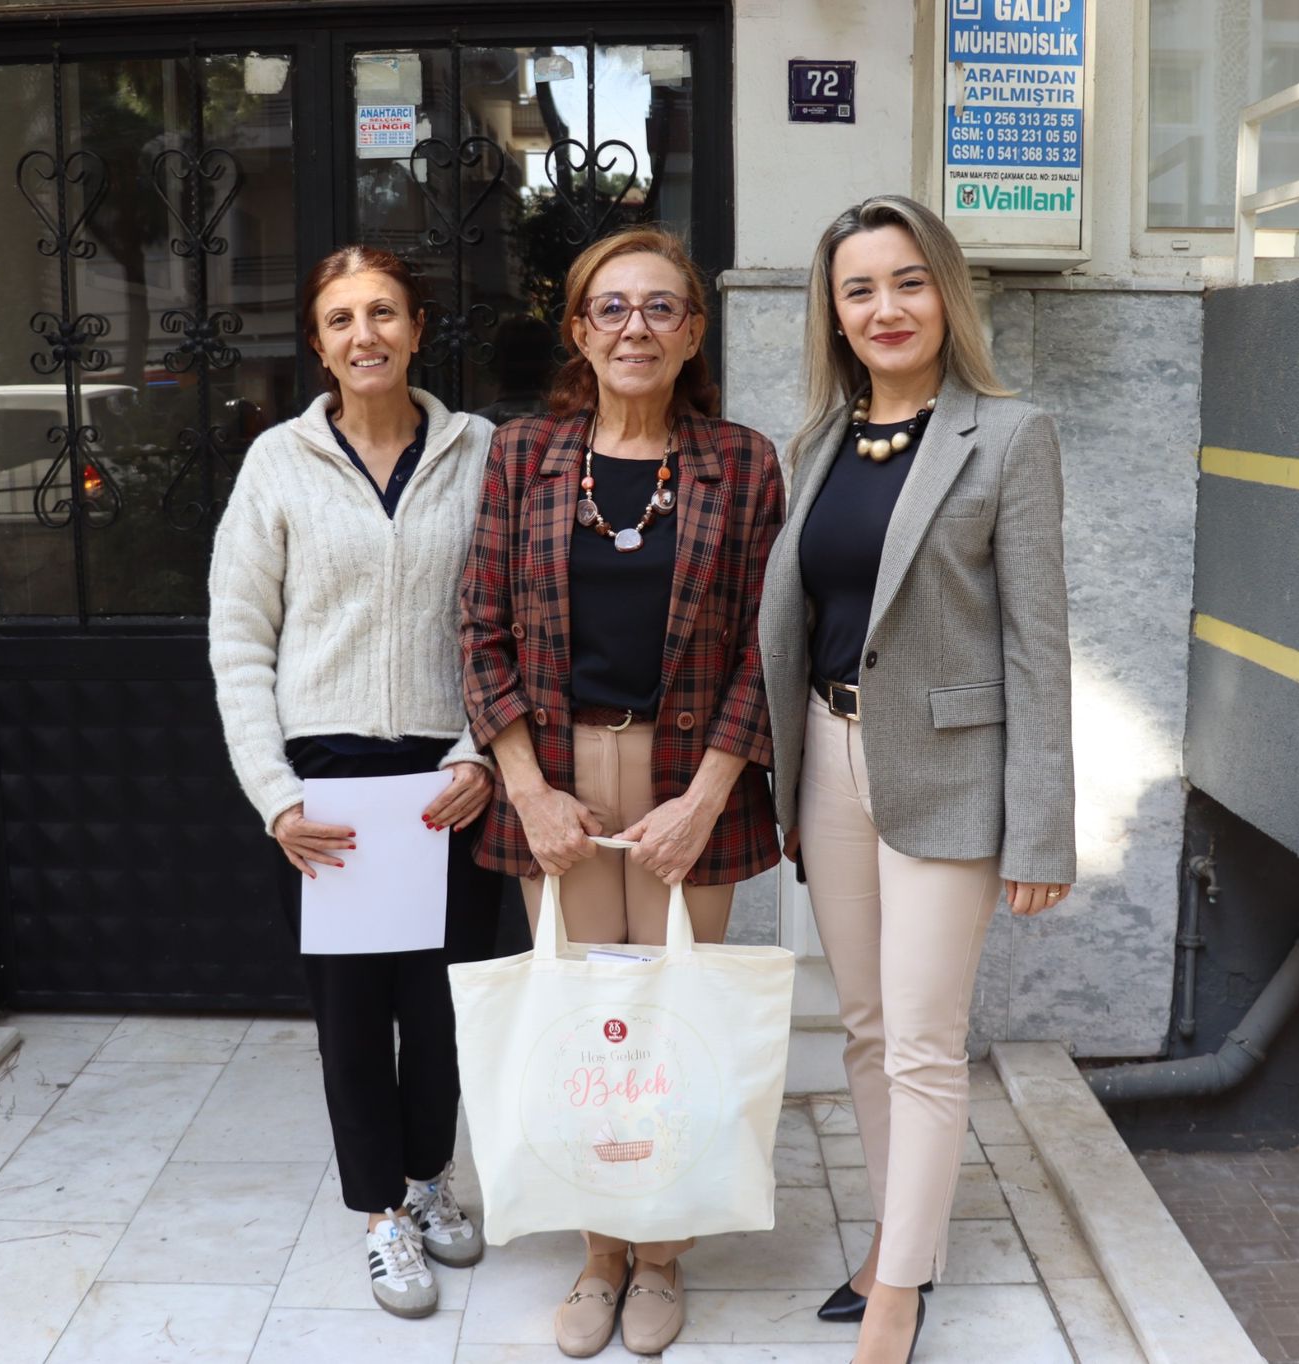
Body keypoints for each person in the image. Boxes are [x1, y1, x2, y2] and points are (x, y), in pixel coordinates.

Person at [758, 195, 1077, 1364]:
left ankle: (894, 1294)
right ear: (833, 314)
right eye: (858, 289)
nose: (883, 307)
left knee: (922, 1043)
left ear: (943, 291)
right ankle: (904, 1241)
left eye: (905, 281)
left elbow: (1037, 646)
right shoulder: (815, 444)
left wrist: (1039, 828)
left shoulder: (1009, 436)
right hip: (829, 755)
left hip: (948, 771)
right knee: (863, 1026)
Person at [458, 226, 784, 1358]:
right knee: (584, 1027)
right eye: (611, 307)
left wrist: (707, 797)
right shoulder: (524, 455)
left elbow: (768, 644)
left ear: (692, 332)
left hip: (692, 778)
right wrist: (528, 793)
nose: (634, 327)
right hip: (559, 782)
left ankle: (663, 1251)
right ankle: (601, 1251)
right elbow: (480, 630)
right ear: (579, 331)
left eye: (659, 307)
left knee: (672, 1022)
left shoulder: (742, 462)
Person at [208, 245, 501, 1321]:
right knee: (351, 1016)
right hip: (326, 785)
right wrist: (275, 794)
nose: (363, 334)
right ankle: (379, 1213)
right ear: (318, 344)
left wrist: (480, 751)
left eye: (383, 312)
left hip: (446, 777)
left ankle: (429, 1178)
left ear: (417, 329)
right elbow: (239, 638)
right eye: (340, 319)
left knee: (441, 1005)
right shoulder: (276, 464)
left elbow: (514, 615)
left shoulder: (481, 453)